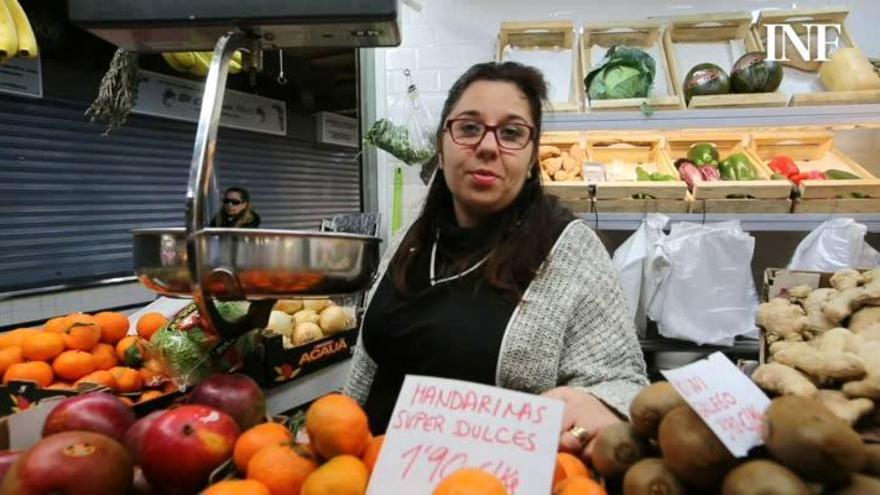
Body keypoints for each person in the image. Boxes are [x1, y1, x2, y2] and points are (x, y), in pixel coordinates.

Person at [343, 61, 647, 459]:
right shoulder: (410, 238)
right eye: (469, 127)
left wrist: (595, 404)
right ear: (442, 142)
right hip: (369, 475)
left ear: (533, 151)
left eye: (511, 133)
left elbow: (625, 382)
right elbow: (368, 369)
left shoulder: (570, 250)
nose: (487, 146)